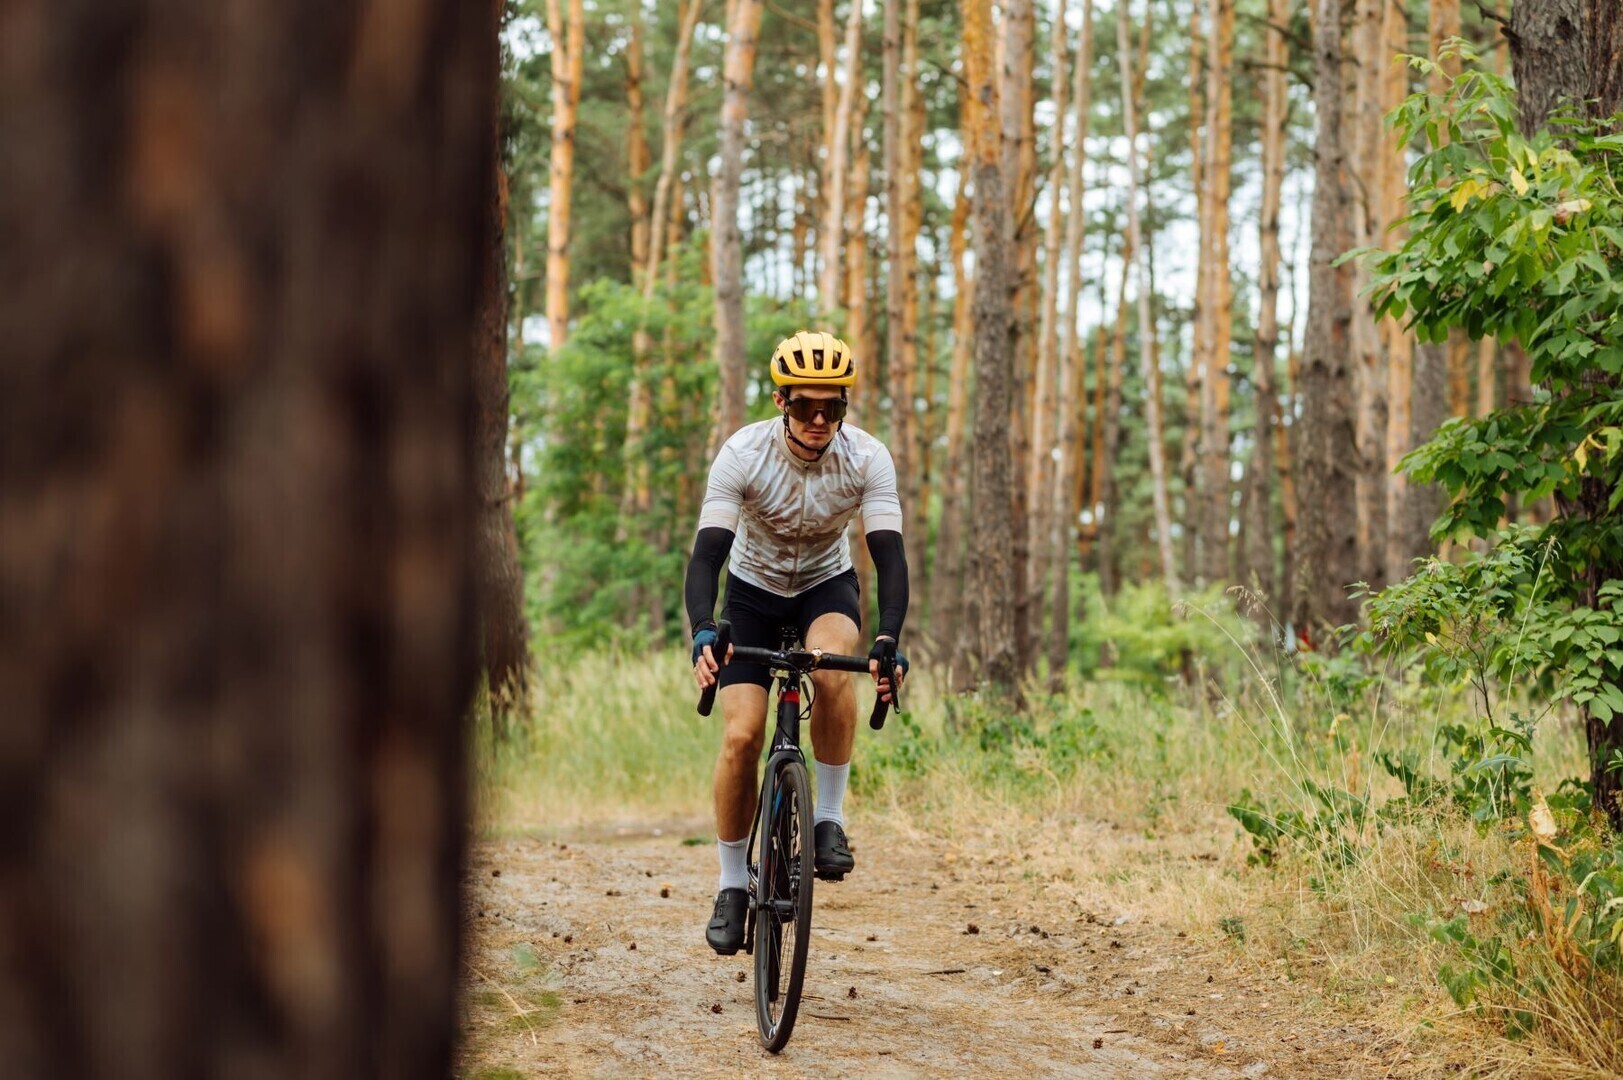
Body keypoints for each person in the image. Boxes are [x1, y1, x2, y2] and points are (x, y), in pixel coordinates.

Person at [684, 330, 909, 955]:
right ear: (781, 401)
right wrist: (703, 629)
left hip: (823, 586)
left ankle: (827, 818)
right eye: (806, 405)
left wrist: (887, 637)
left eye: (831, 407)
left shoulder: (867, 458)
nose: (818, 420)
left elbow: (889, 556)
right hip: (750, 593)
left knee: (834, 671)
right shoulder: (743, 453)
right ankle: (732, 884)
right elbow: (707, 556)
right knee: (742, 735)